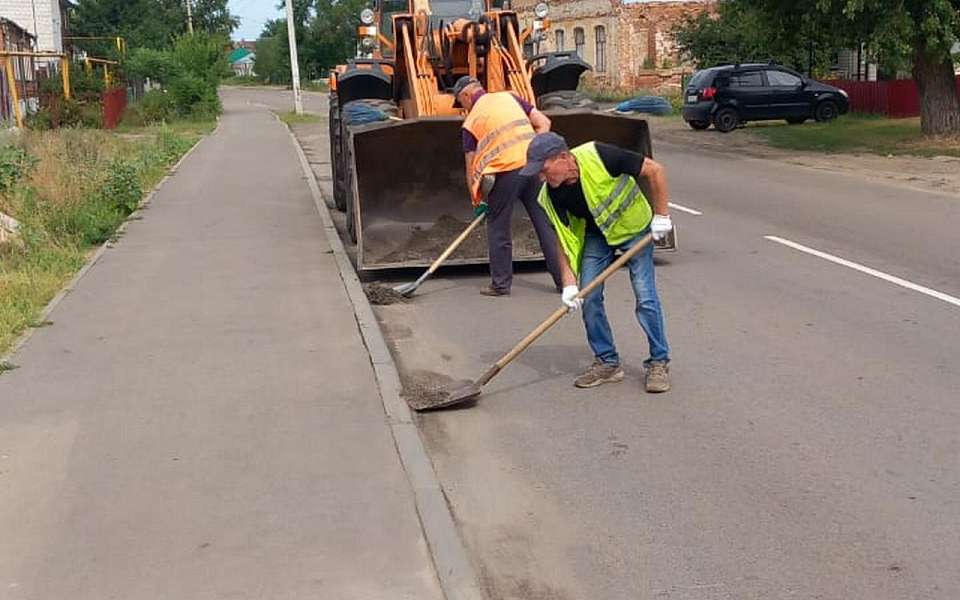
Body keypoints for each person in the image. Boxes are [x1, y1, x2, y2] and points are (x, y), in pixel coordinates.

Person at [520, 132, 674, 393]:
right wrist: (569, 285)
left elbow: (655, 170)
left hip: (635, 228)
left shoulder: (600, 155)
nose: (541, 178)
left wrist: (662, 216)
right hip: (597, 235)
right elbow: (563, 239)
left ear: (563, 157)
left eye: (544, 170)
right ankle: (607, 362)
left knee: (645, 297)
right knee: (588, 296)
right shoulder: (550, 196)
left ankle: (658, 362)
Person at [453, 75, 562, 296]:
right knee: (545, 224)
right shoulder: (510, 98)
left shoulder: (471, 123)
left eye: (460, 102)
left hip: (504, 175)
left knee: (498, 227)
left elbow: (471, 166)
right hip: (533, 169)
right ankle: (564, 281)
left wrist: (477, 201)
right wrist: (537, 155)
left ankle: (501, 284)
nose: (462, 108)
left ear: (466, 95)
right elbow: (545, 123)